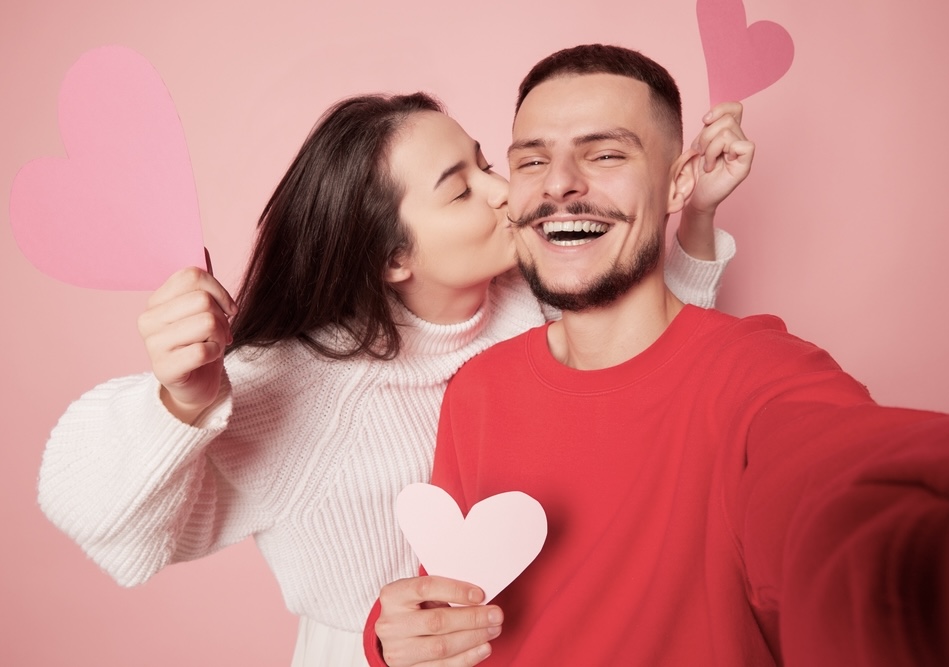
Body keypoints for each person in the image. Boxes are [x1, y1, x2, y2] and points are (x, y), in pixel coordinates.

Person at [37, 86, 752, 665]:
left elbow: (649, 361)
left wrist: (695, 216)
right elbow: (90, 507)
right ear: (391, 258)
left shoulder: (528, 300)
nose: (504, 192)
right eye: (460, 189)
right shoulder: (302, 382)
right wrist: (179, 399)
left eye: (484, 164)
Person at [366, 44, 949, 667]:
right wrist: (392, 640)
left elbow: (845, 492)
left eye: (606, 153)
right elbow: (451, 603)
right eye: (531, 161)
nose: (558, 184)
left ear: (679, 183)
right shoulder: (476, 389)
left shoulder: (762, 373)